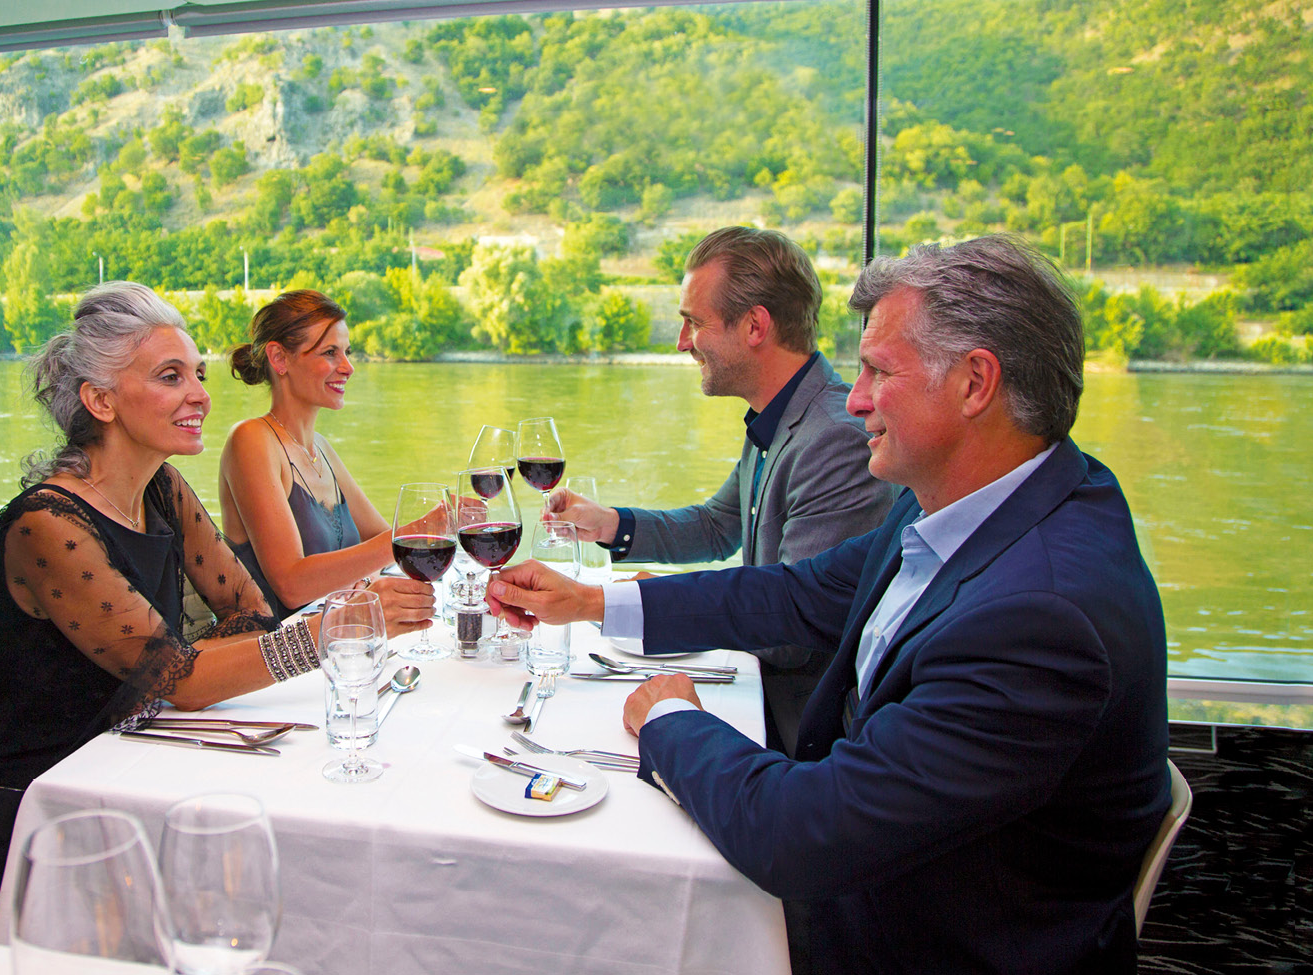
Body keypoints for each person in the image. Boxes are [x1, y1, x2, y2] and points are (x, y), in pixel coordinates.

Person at [489, 235, 1171, 974]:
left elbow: (800, 837)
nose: (853, 399)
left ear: (975, 383)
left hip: (917, 941)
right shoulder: (961, 504)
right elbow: (796, 593)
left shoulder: (1041, 617)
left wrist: (668, 717)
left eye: (878, 371)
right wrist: (594, 602)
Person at [0, 282, 375, 916]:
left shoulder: (160, 488)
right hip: (32, 817)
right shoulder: (49, 525)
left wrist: (195, 673)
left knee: (291, 851)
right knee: (262, 878)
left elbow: (247, 607)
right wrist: (338, 631)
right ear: (100, 400)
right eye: (171, 377)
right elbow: (184, 679)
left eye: (196, 374)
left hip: (132, 765)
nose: (200, 394)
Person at [547, 227, 893, 754]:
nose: (683, 342)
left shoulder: (834, 439)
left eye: (693, 322)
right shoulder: (780, 415)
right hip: (753, 687)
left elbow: (791, 634)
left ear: (755, 324)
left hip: (794, 731)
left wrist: (656, 601)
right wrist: (611, 524)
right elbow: (718, 525)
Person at [218, 289, 433, 627]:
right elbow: (292, 585)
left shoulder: (322, 449)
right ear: (279, 359)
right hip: (278, 661)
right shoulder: (251, 440)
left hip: (341, 643)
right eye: (330, 353)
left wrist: (421, 535)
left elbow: (381, 539)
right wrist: (417, 532)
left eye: (346, 352)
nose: (347, 367)